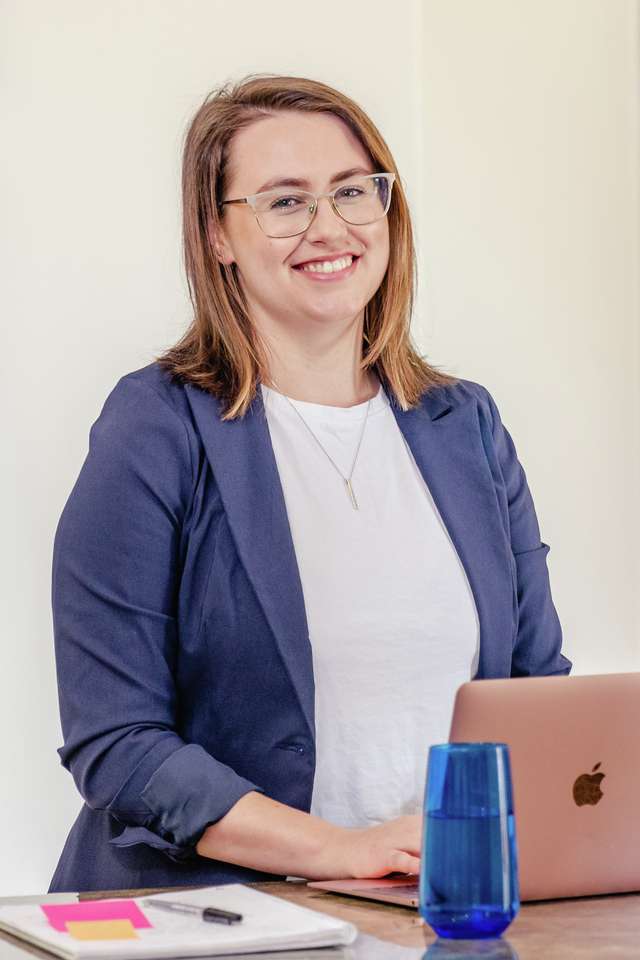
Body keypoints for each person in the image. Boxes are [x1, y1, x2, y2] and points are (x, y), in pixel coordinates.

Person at [49, 74, 571, 893]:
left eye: (352, 192)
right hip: (219, 923)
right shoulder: (156, 426)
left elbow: (539, 699)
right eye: (284, 202)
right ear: (216, 234)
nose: (330, 227)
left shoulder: (465, 426)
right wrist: (340, 850)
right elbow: (117, 744)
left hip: (439, 914)